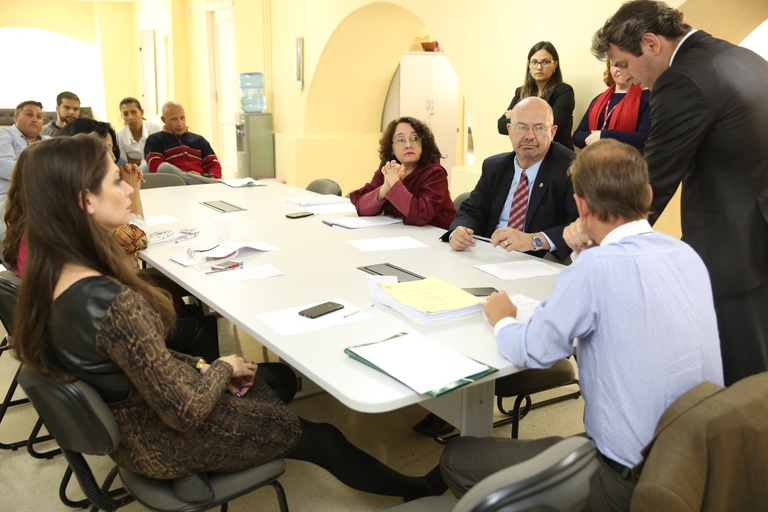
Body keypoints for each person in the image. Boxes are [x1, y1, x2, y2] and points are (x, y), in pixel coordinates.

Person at [11, 135, 446, 501]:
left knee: (275, 381)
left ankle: (258, 412)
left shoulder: (52, 278)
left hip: (137, 426)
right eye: (114, 181)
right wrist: (222, 366)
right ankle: (418, 489)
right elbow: (184, 413)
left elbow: (142, 364)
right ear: (85, 200)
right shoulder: (112, 302)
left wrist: (205, 366)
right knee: (323, 436)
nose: (128, 188)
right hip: (164, 442)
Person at [440, 139, 724, 512]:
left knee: (456, 458)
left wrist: (503, 319)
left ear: (581, 206)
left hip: (630, 478)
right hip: (700, 460)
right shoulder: (685, 254)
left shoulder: (596, 268)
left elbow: (531, 350)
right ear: (649, 194)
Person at [580, 0, 768, 386]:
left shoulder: (681, 79)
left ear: (651, 43)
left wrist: (590, 227)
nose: (628, 78)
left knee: (739, 384)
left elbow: (652, 179)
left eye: (626, 64)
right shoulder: (743, 57)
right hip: (758, 236)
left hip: (733, 251)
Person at [444, 97, 577, 261]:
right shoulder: (495, 166)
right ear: (509, 130)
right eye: (522, 127)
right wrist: (459, 231)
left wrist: (533, 240)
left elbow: (582, 224)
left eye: (539, 128)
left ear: (552, 132)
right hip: (488, 254)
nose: (529, 136)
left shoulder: (573, 168)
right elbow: (472, 210)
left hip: (539, 260)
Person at [349, 117, 456, 229]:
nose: (408, 145)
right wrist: (386, 187)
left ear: (422, 143)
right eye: (401, 140)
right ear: (391, 148)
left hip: (436, 237)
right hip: (401, 234)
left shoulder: (435, 173)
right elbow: (363, 208)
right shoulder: (389, 169)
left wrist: (395, 183)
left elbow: (421, 214)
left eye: (414, 138)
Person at [497, 42, 575, 150]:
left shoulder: (564, 92)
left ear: (555, 64)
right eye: (534, 62)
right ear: (529, 65)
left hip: (557, 155)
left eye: (545, 62)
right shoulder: (521, 92)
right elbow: (501, 125)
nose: (539, 67)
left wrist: (517, 120)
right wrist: (537, 123)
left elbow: (552, 126)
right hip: (527, 155)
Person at [572, 60, 651, 152]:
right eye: (614, 65)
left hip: (628, 162)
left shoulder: (647, 98)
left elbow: (644, 138)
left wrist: (604, 137)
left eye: (624, 65)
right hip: (594, 160)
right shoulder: (598, 99)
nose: (618, 70)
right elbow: (576, 136)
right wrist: (594, 140)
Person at [0, 100, 48, 244]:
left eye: (39, 116)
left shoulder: (48, 141)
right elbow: (2, 165)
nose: (35, 119)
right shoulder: (4, 134)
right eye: (29, 114)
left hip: (44, 201)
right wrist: (42, 170)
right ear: (15, 117)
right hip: (9, 201)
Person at [144, 101, 222, 183]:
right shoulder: (155, 140)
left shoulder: (199, 140)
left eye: (182, 118)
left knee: (212, 177)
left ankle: (199, 181)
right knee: (163, 167)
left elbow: (213, 164)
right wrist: (187, 175)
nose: (180, 123)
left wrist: (211, 176)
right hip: (176, 184)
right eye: (174, 119)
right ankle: (195, 181)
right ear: (163, 120)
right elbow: (156, 168)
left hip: (201, 179)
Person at [116, 97, 162, 169]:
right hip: (133, 172)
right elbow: (124, 163)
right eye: (125, 114)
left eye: (134, 112)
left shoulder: (155, 129)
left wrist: (134, 161)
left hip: (156, 169)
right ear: (122, 116)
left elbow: (160, 156)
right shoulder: (119, 135)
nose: (130, 117)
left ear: (142, 112)